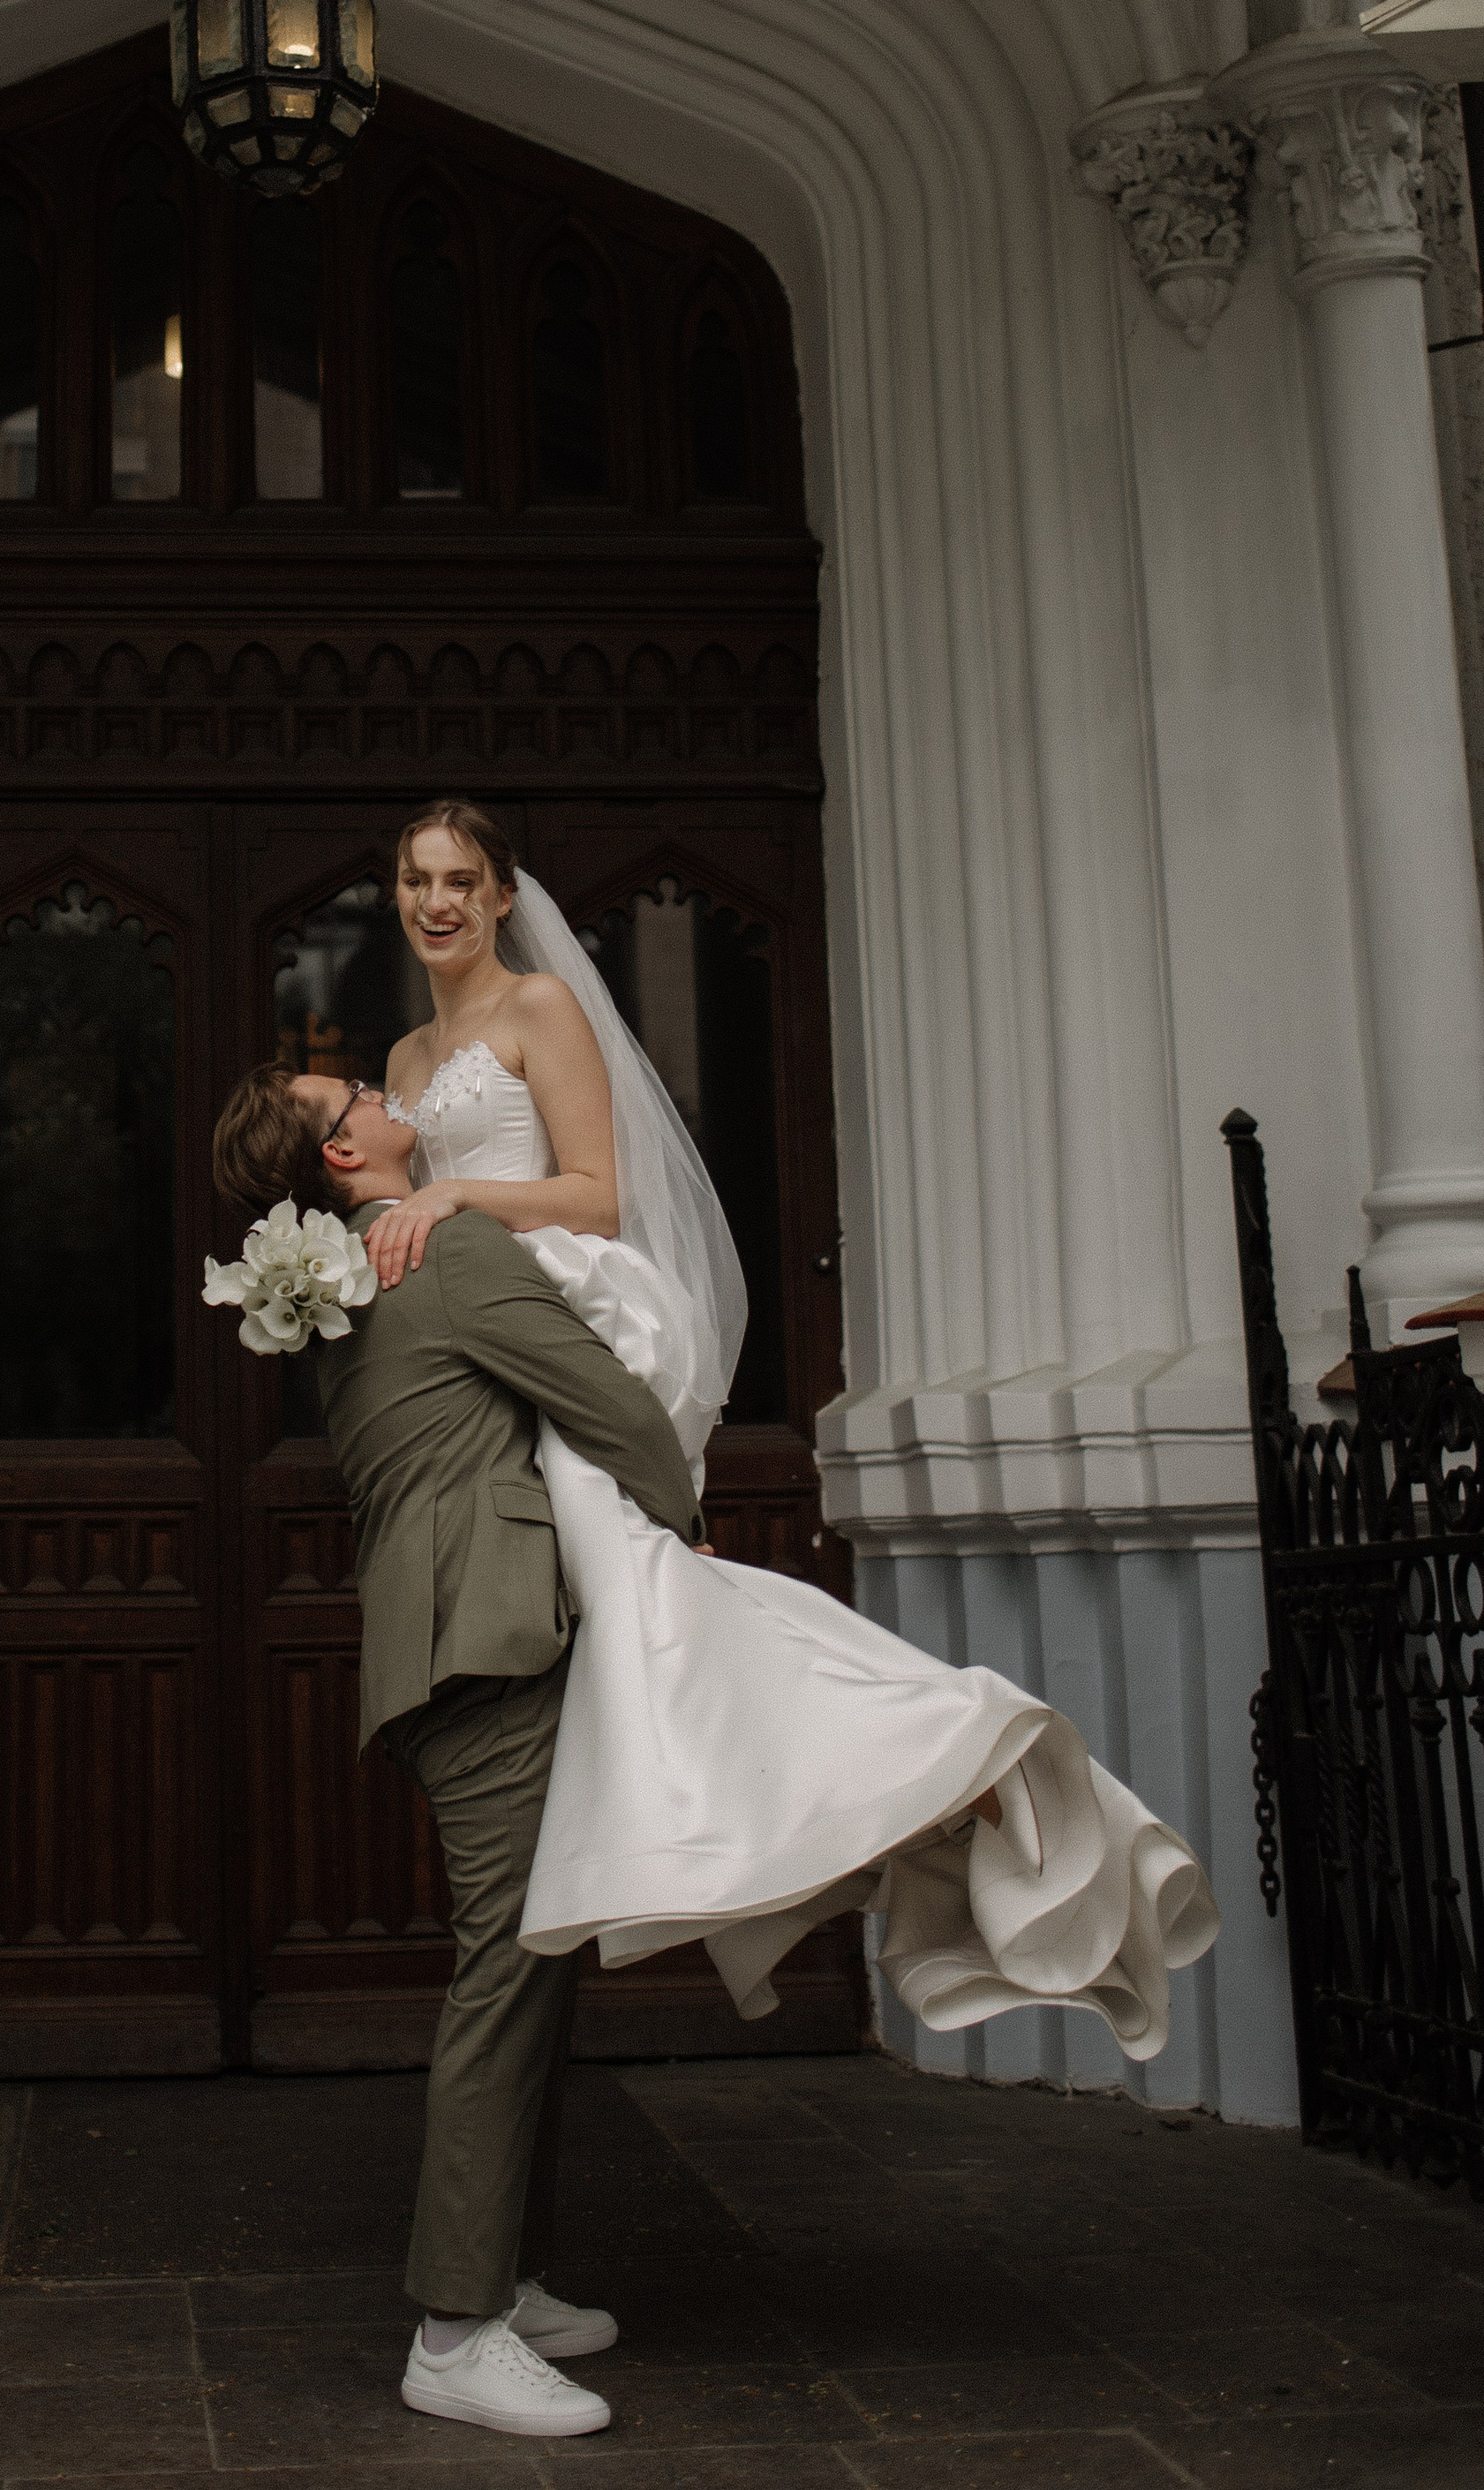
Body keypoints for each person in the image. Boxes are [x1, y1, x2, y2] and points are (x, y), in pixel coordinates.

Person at [360, 797, 1218, 2049]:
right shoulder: (400, 1064)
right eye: (413, 878)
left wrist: (455, 1205)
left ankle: (941, 1758)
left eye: (460, 879)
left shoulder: (538, 1012)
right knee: (646, 1612)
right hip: (493, 1348)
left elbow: (598, 1199)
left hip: (574, 1315)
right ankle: (830, 1810)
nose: (435, 901)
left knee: (648, 1590)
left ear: (502, 897)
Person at [210, 1057, 703, 2441]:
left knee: (537, 1954)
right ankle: (456, 2329)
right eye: (346, 1097)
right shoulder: (446, 1252)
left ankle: (508, 2277)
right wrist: (686, 1521)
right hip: (484, 1642)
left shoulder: (370, 1273)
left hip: (454, 1638)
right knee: (507, 1965)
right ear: (343, 1158)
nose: (373, 1089)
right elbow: (603, 1398)